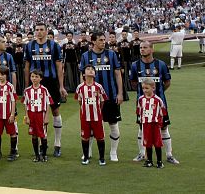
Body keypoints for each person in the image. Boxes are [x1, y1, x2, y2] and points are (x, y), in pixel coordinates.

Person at [128, 41, 178, 164]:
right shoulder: (135, 65)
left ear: (151, 49)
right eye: (141, 48)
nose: (142, 49)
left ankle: (169, 155)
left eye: (145, 47)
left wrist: (156, 95)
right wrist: (145, 96)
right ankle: (141, 154)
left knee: (164, 127)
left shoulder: (161, 64)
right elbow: (133, 83)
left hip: (159, 104)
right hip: (143, 105)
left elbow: (167, 82)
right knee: (142, 127)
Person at [78, 31, 123, 162]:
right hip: (91, 99)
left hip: (110, 96)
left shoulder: (111, 54)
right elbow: (82, 76)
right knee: (90, 125)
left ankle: (113, 152)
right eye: (100, 40)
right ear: (93, 41)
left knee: (113, 124)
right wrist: (82, 93)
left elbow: (118, 74)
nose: (104, 42)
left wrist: (120, 93)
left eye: (104, 40)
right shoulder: (86, 56)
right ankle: (88, 152)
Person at [23, 23, 66, 157]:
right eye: (37, 30)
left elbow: (59, 67)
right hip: (36, 83)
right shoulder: (29, 46)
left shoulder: (54, 46)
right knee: (39, 112)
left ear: (46, 31)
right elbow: (27, 67)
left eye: (42, 30)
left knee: (55, 111)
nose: (39, 32)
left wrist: (61, 86)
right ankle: (43, 144)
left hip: (51, 82)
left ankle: (57, 144)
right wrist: (27, 85)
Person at [75, 65, 107, 166]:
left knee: (100, 137)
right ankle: (85, 157)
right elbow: (79, 101)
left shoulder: (99, 87)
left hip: (97, 117)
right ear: (84, 74)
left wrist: (97, 110)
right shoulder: (80, 87)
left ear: (95, 74)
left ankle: (102, 158)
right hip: (85, 117)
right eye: (88, 69)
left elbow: (102, 101)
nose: (91, 70)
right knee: (85, 137)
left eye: (92, 69)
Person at [137, 80, 167, 169]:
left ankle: (159, 162)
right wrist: (141, 120)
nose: (144, 90)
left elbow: (163, 112)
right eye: (143, 88)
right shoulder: (141, 99)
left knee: (157, 143)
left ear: (153, 88)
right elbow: (139, 111)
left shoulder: (158, 100)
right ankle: (149, 161)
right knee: (147, 143)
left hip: (155, 125)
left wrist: (160, 123)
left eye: (147, 88)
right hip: (146, 124)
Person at [23, 70, 53, 162]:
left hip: (41, 115)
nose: (34, 78)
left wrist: (47, 116)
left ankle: (44, 155)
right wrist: (27, 116)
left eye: (36, 77)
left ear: (41, 78)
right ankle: (36, 155)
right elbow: (25, 104)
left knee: (43, 135)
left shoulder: (44, 90)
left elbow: (48, 103)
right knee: (34, 135)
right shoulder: (27, 91)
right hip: (31, 115)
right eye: (32, 76)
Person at [0, 66, 18, 161]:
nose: (0, 76)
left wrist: (12, 114)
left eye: (2, 75)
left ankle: (13, 152)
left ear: (6, 75)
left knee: (12, 133)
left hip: (8, 115)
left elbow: (13, 101)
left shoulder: (10, 86)